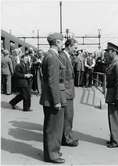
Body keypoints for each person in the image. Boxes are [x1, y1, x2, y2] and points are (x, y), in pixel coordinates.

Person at [39, 32, 66, 164]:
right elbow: (52, 82)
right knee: (53, 128)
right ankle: (52, 155)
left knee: (52, 127)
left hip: (49, 98)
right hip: (53, 99)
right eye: (62, 41)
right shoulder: (53, 58)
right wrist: (56, 101)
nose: (63, 44)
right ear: (57, 42)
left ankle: (52, 151)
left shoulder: (49, 56)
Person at [104, 42, 118, 148]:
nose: (107, 53)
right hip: (113, 94)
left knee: (116, 118)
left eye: (108, 51)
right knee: (112, 118)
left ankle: (117, 141)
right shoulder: (113, 63)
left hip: (116, 96)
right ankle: (114, 138)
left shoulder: (117, 64)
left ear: (114, 52)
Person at [60, 38, 79, 147]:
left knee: (68, 116)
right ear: (69, 46)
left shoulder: (67, 56)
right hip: (66, 91)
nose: (75, 50)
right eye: (75, 48)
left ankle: (67, 136)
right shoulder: (63, 57)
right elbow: (62, 77)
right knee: (68, 116)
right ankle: (66, 139)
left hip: (68, 91)